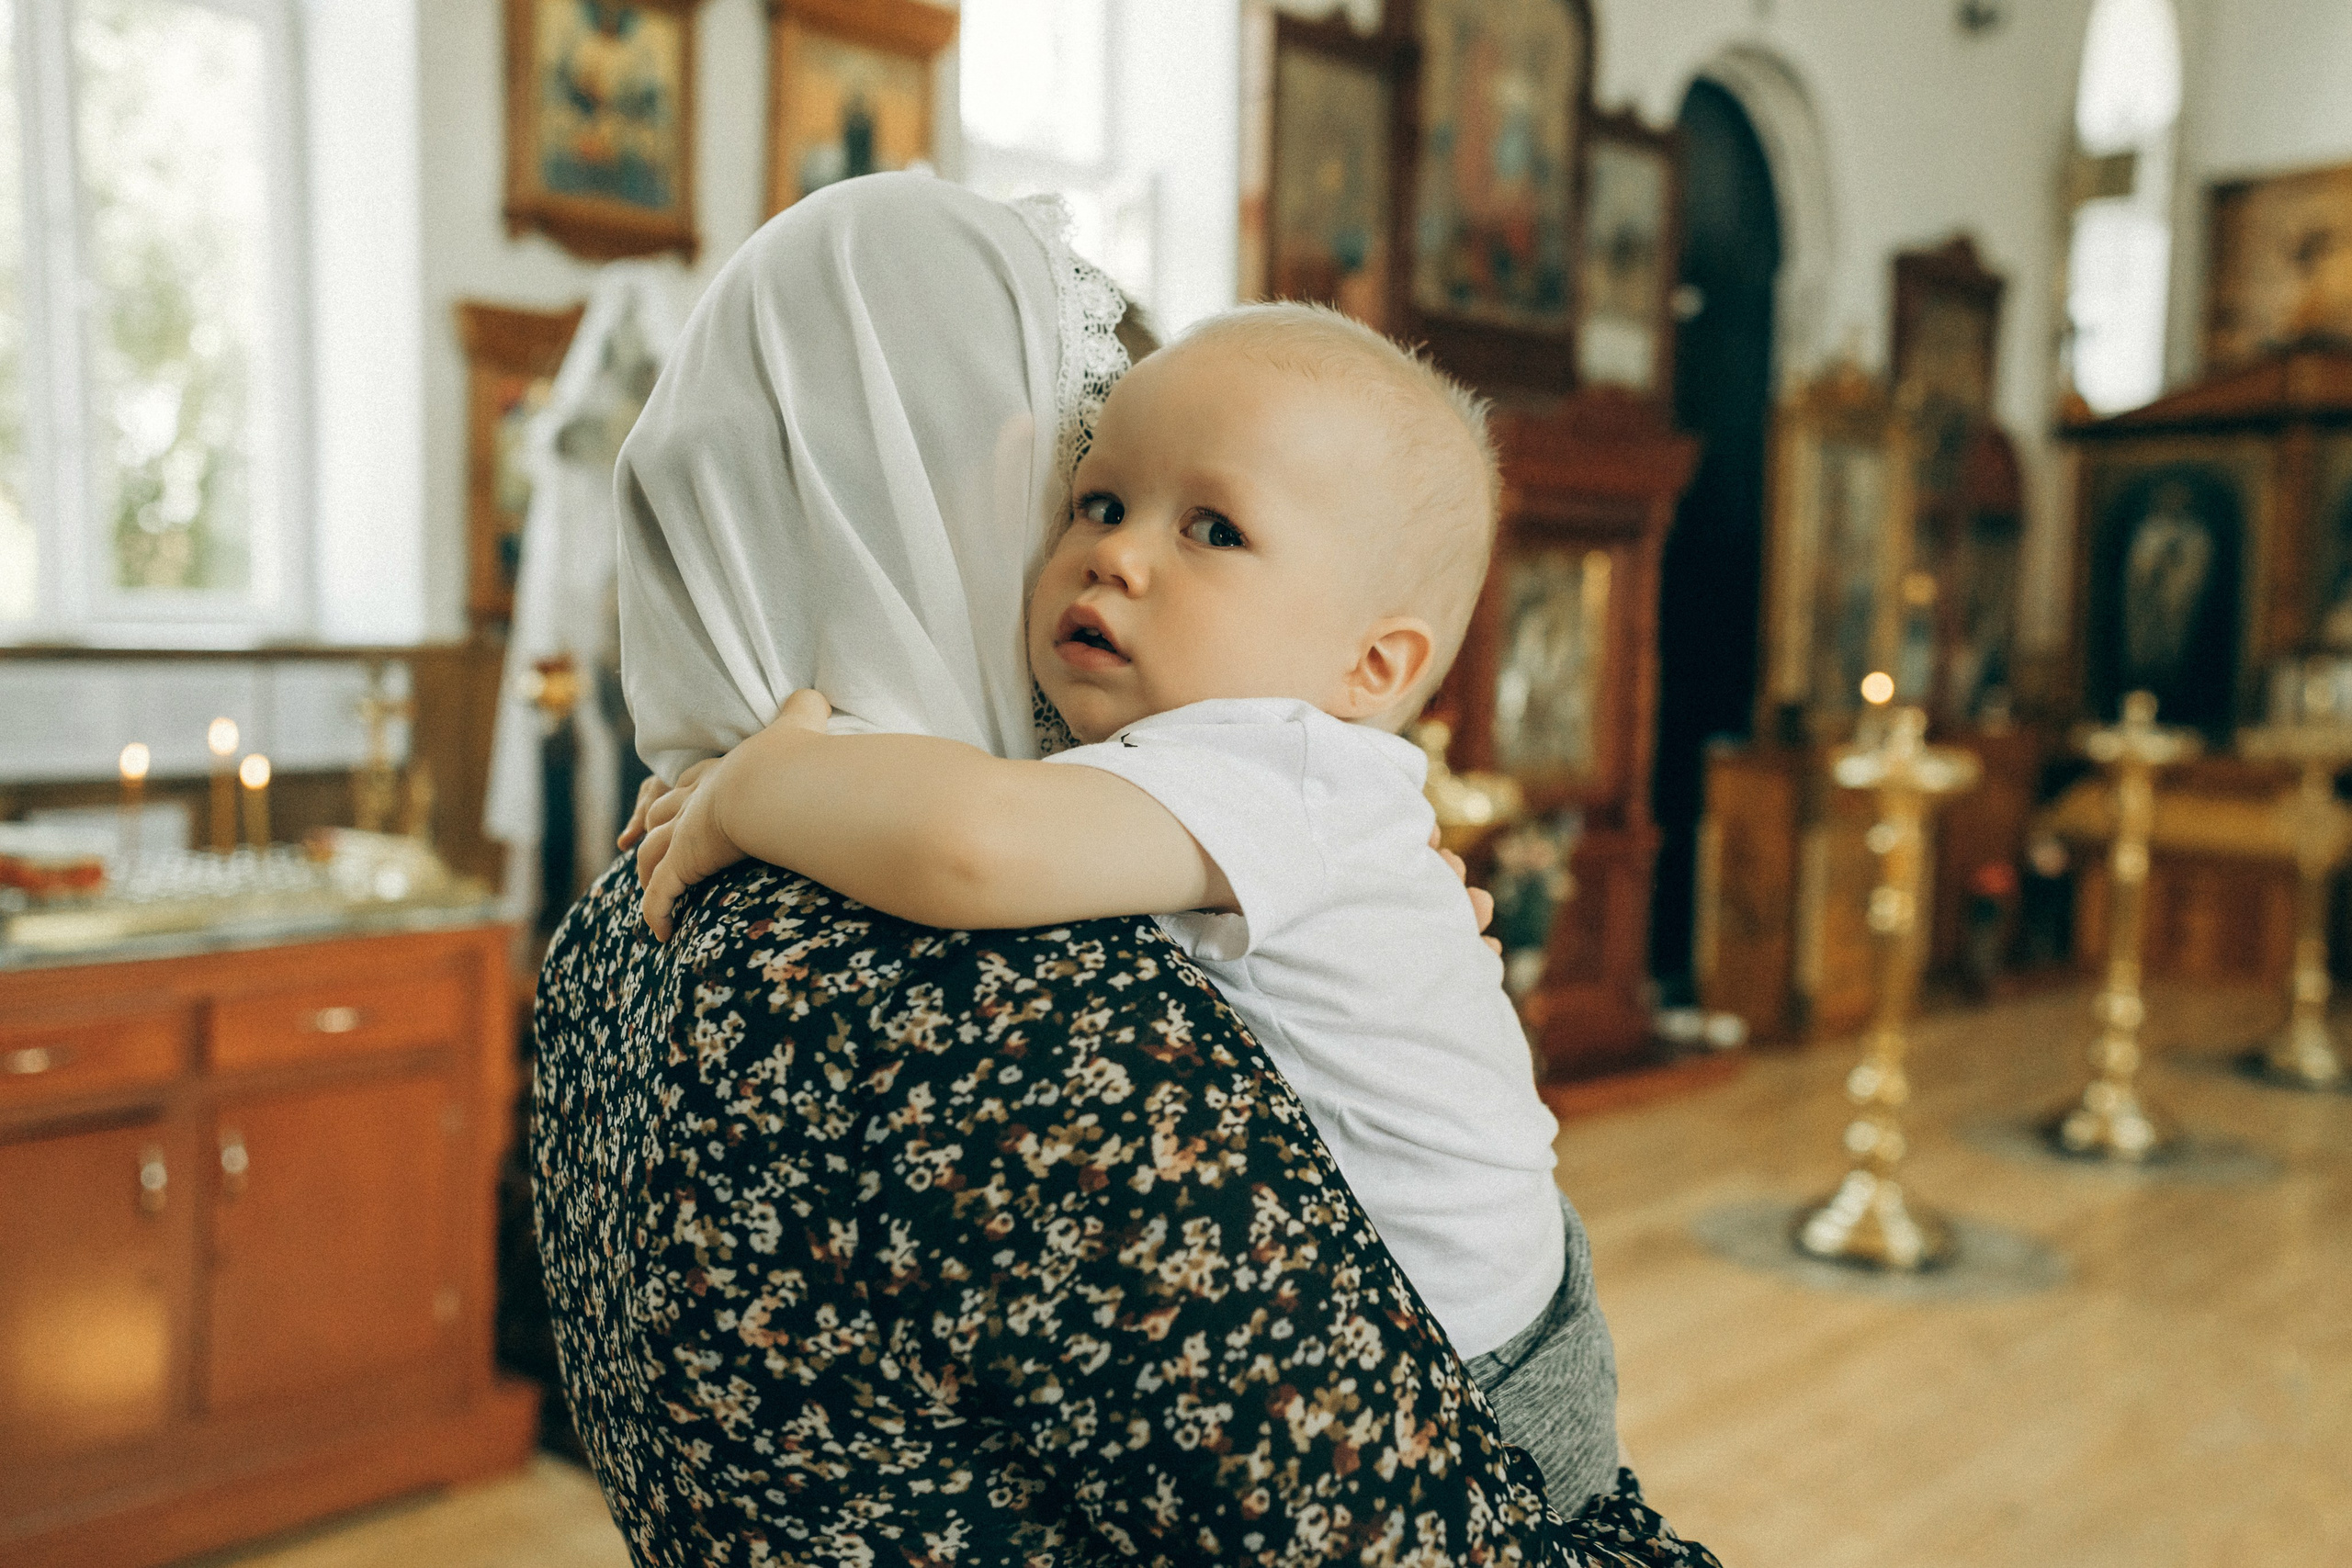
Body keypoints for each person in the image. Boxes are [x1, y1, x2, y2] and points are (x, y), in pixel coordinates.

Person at [532, 170, 1720, 1565]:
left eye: (1210, 528)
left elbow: (981, 838)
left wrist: (757, 779)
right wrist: (770, 789)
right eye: (1079, 500)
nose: (1105, 559)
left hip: (1501, 1364)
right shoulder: (1021, 999)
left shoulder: (617, 926)